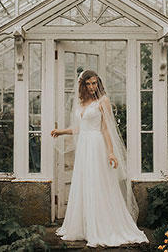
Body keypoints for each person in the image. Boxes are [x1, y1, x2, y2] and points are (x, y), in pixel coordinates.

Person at [50, 70, 149, 248]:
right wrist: (61, 132)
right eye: (88, 84)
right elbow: (79, 128)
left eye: (94, 83)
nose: (91, 87)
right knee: (84, 183)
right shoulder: (81, 102)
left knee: (98, 183)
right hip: (84, 148)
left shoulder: (103, 101)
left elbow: (106, 129)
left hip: (97, 146)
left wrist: (111, 152)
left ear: (99, 83)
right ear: (83, 85)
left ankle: (102, 226)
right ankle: (84, 227)